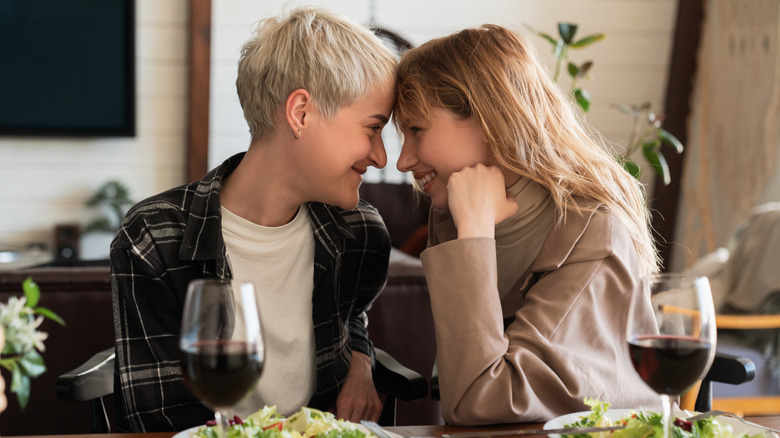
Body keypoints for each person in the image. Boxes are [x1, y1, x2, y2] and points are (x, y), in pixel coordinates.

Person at [110, 6, 397, 432]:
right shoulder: (153, 238)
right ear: (300, 112)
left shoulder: (361, 234)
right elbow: (163, 419)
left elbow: (351, 314)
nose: (381, 156)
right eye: (372, 128)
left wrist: (360, 356)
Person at [393, 24, 662, 425]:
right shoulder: (455, 211)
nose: (403, 161)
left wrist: (475, 234)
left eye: (416, 130)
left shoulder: (590, 228)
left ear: (487, 118)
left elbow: (480, 399)